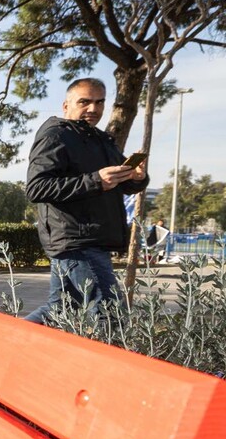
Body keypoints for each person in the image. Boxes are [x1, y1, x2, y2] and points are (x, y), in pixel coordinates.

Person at [24, 78, 149, 324]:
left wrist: (137, 178)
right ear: (66, 105)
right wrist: (95, 181)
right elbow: (36, 188)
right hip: (77, 241)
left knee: (60, 312)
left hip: (90, 239)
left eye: (100, 102)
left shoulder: (101, 140)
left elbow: (123, 185)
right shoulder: (55, 135)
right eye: (85, 102)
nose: (94, 109)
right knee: (111, 317)